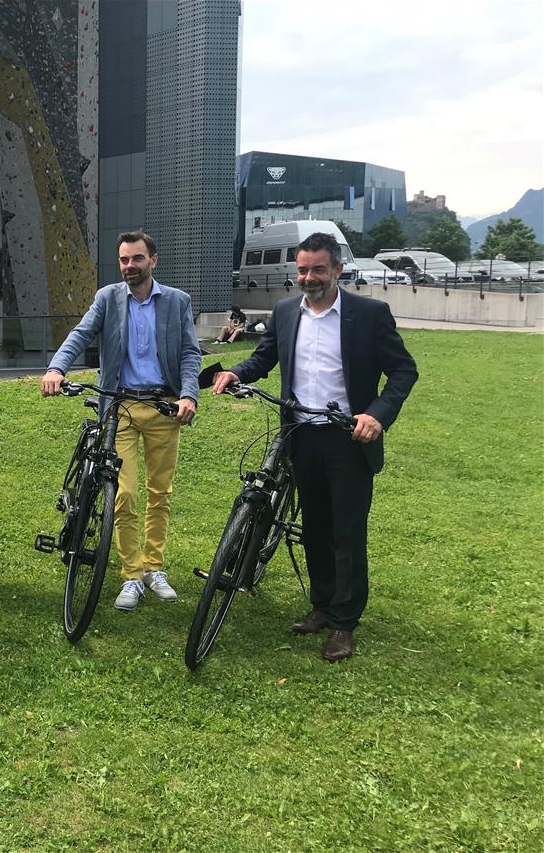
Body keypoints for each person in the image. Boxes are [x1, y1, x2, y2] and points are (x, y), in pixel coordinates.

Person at [211, 231, 417, 662]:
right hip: (301, 436)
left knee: (347, 531)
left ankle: (344, 622)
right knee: (315, 527)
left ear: (338, 269)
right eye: (303, 270)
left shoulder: (369, 314)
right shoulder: (286, 312)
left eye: (318, 269)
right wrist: (237, 372)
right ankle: (322, 604)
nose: (309, 277)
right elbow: (265, 358)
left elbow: (403, 371)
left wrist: (377, 415)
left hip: (349, 438)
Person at [41, 230, 201, 612]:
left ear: (153, 261)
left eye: (137, 259)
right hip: (121, 408)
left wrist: (189, 394)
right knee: (123, 493)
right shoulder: (108, 298)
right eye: (124, 260)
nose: (130, 266)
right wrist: (57, 368)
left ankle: (153, 568)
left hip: (164, 407)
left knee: (160, 493)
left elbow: (190, 353)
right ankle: (132, 574)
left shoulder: (177, 301)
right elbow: (80, 334)